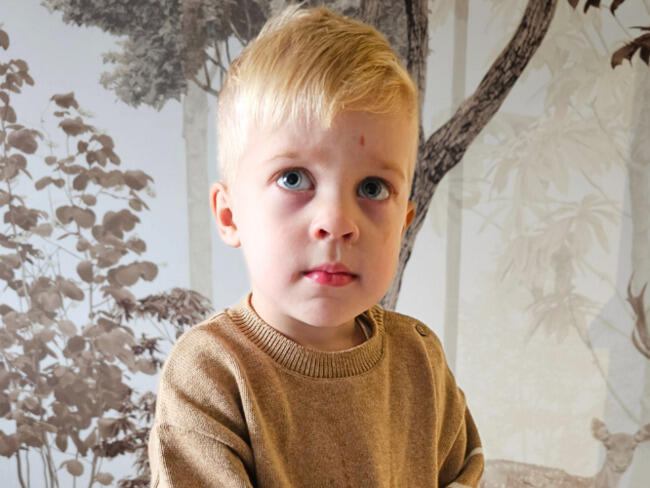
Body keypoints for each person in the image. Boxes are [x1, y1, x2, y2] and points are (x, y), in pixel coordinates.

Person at [148, 4, 484, 487]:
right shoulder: (210, 374)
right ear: (229, 215)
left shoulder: (421, 361)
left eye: (372, 188)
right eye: (293, 178)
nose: (337, 222)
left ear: (404, 225)